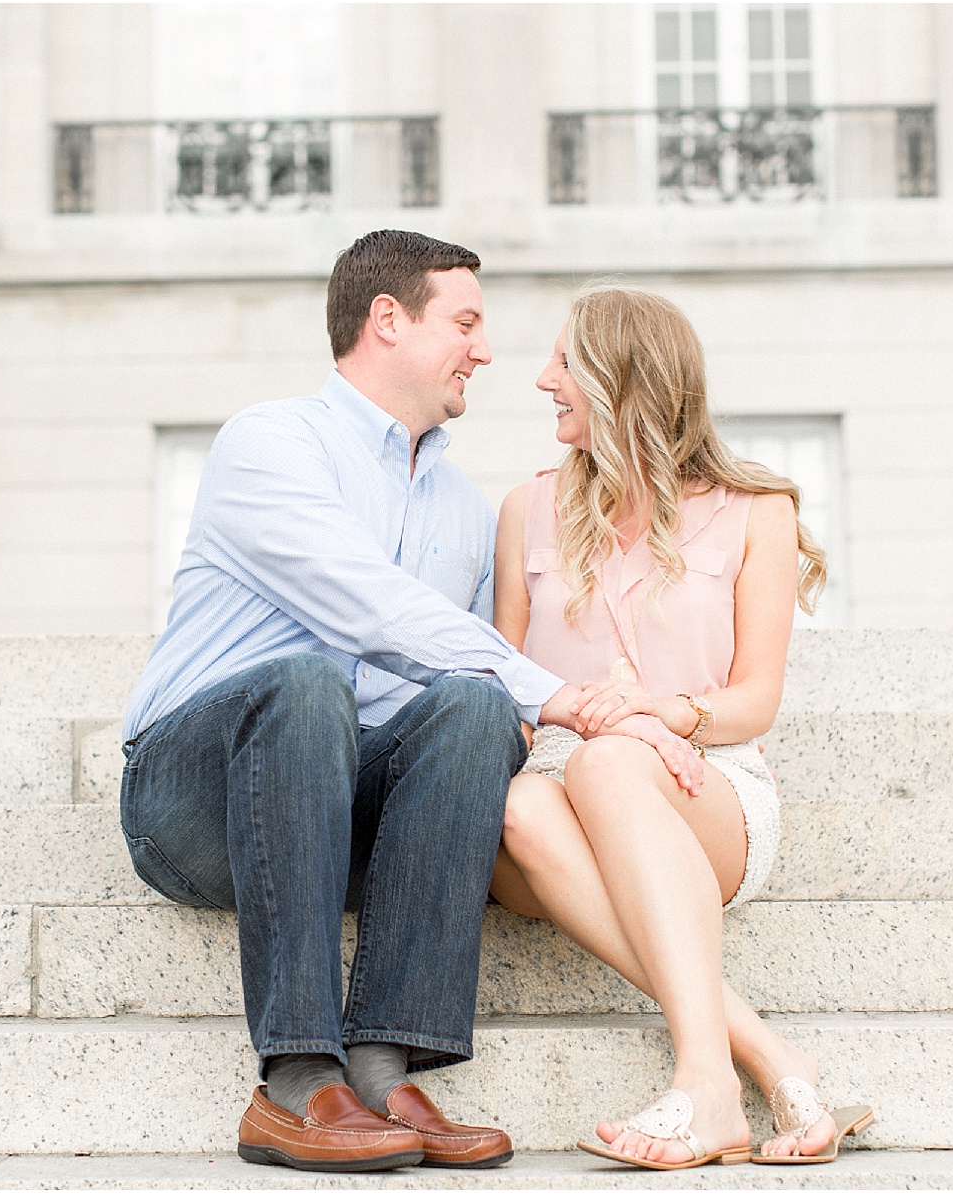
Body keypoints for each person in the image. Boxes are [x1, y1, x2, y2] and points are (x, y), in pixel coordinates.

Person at [119, 230, 616, 1173]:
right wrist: (565, 699)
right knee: (308, 678)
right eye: (465, 321)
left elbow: (465, 683)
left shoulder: (469, 510)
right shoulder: (271, 441)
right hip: (197, 800)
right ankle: (298, 1079)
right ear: (387, 319)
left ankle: (385, 1064)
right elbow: (367, 608)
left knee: (474, 704)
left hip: (342, 812)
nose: (485, 349)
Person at [489, 283, 875, 1170]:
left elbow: (755, 698)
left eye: (564, 362)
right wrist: (584, 725)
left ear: (621, 380)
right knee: (523, 806)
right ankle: (770, 1058)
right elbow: (502, 682)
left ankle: (705, 1083)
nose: (543, 379)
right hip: (556, 780)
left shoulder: (757, 511)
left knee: (612, 763)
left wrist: (668, 715)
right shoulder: (526, 508)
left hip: (709, 783)